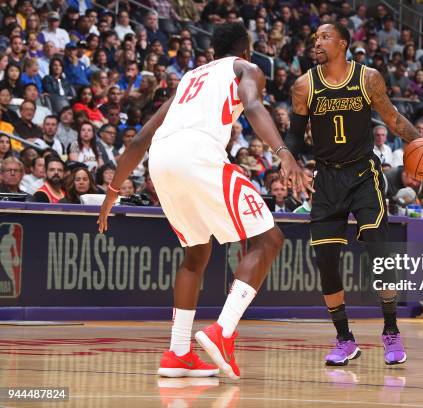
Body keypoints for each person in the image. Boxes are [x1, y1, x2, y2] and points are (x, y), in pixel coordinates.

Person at [97, 23, 307, 380]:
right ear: (246, 50)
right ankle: (223, 332)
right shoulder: (245, 68)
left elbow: (140, 139)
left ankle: (178, 353)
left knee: (196, 253)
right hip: (198, 154)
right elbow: (254, 105)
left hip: (160, 162)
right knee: (269, 239)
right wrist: (283, 152)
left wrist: (112, 193)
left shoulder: (188, 80)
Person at [286, 22, 423, 367]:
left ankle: (391, 330)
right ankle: (344, 339)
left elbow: (392, 118)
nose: (317, 41)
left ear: (344, 43)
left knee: (379, 253)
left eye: (325, 36)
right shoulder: (304, 85)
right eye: (315, 36)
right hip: (327, 180)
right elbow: (293, 137)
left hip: (364, 175)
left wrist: (422, 141)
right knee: (326, 262)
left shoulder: (368, 78)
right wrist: (287, 161)